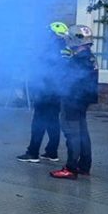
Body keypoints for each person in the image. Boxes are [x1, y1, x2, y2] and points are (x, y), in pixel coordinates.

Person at [51, 25, 98, 180]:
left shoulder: (78, 60)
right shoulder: (90, 57)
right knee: (83, 133)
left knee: (72, 134)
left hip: (72, 100)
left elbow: (66, 80)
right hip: (83, 101)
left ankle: (71, 168)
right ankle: (84, 166)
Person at [17, 22, 68, 163]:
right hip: (57, 92)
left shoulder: (49, 50)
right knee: (53, 122)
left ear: (53, 35)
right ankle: (52, 152)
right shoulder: (66, 50)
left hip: (45, 91)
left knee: (38, 122)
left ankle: (33, 153)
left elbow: (40, 70)